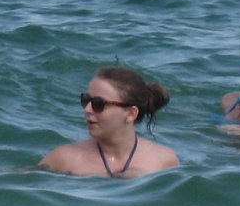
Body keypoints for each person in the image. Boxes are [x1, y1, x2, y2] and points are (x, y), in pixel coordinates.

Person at [41, 66, 180, 178]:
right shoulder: (63, 160)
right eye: (86, 100)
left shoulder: (164, 161)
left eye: (98, 104)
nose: (87, 109)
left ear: (131, 114)